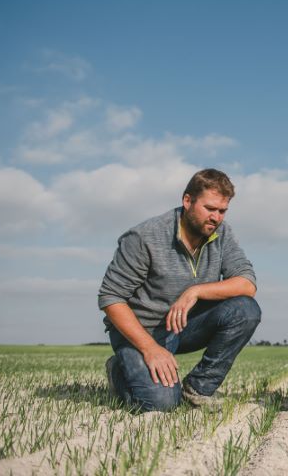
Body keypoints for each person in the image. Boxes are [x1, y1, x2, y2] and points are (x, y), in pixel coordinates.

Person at [98, 168, 260, 412]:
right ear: (187, 201)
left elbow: (247, 284)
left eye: (222, 211)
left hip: (182, 327)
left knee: (246, 310)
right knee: (160, 403)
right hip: (142, 331)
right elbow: (110, 298)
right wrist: (150, 348)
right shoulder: (144, 237)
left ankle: (197, 388)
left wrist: (195, 291)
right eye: (209, 209)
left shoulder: (222, 234)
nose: (216, 218)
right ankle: (120, 369)